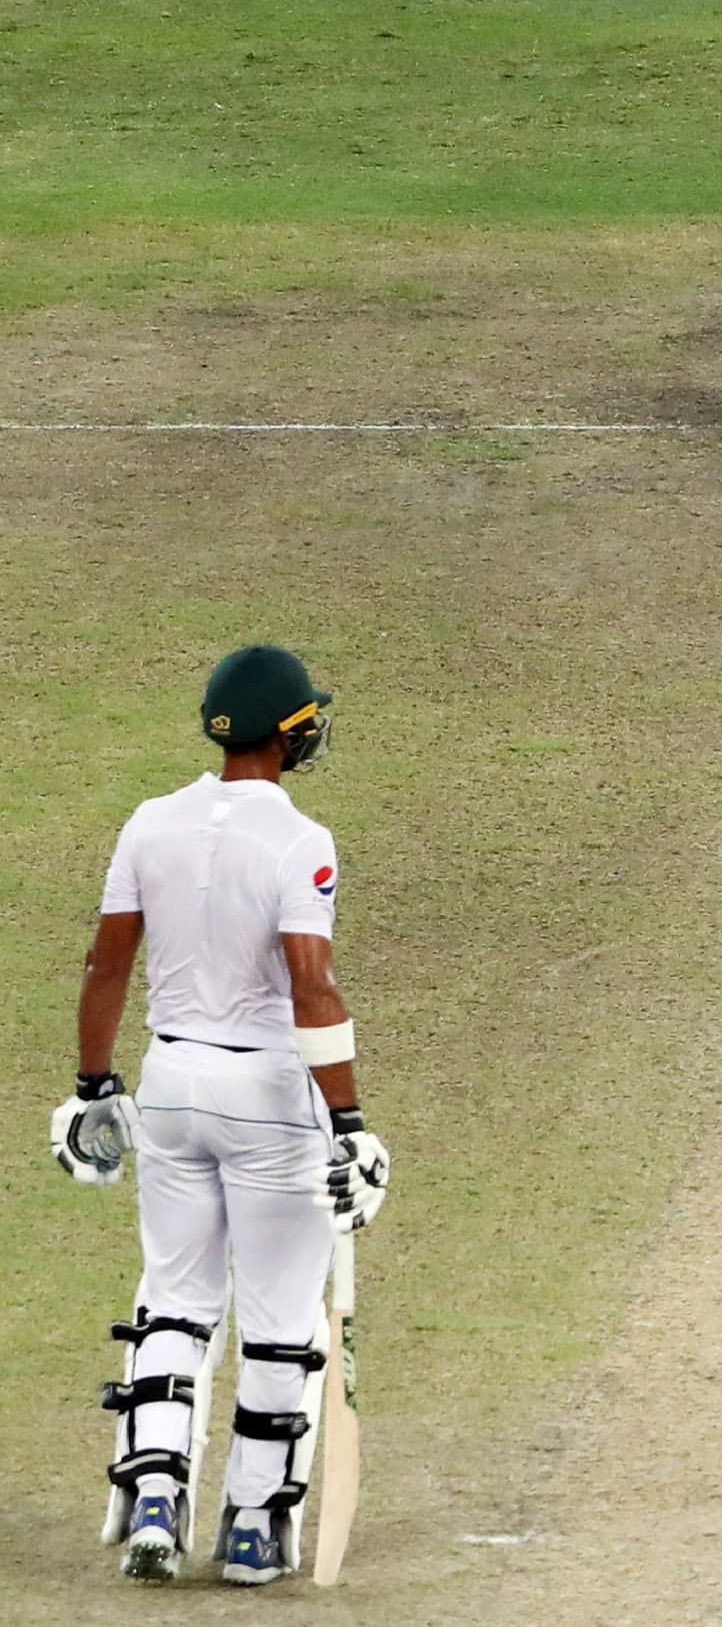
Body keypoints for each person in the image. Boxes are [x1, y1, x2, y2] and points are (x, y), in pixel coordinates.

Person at [55, 644, 391, 1585]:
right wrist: (352, 1122)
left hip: (168, 1082)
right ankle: (251, 1525)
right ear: (290, 734)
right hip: (270, 1098)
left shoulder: (149, 823)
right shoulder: (300, 839)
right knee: (282, 1312)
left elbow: (107, 965)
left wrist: (92, 1088)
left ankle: (156, 1491)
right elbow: (311, 985)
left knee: (174, 1294)